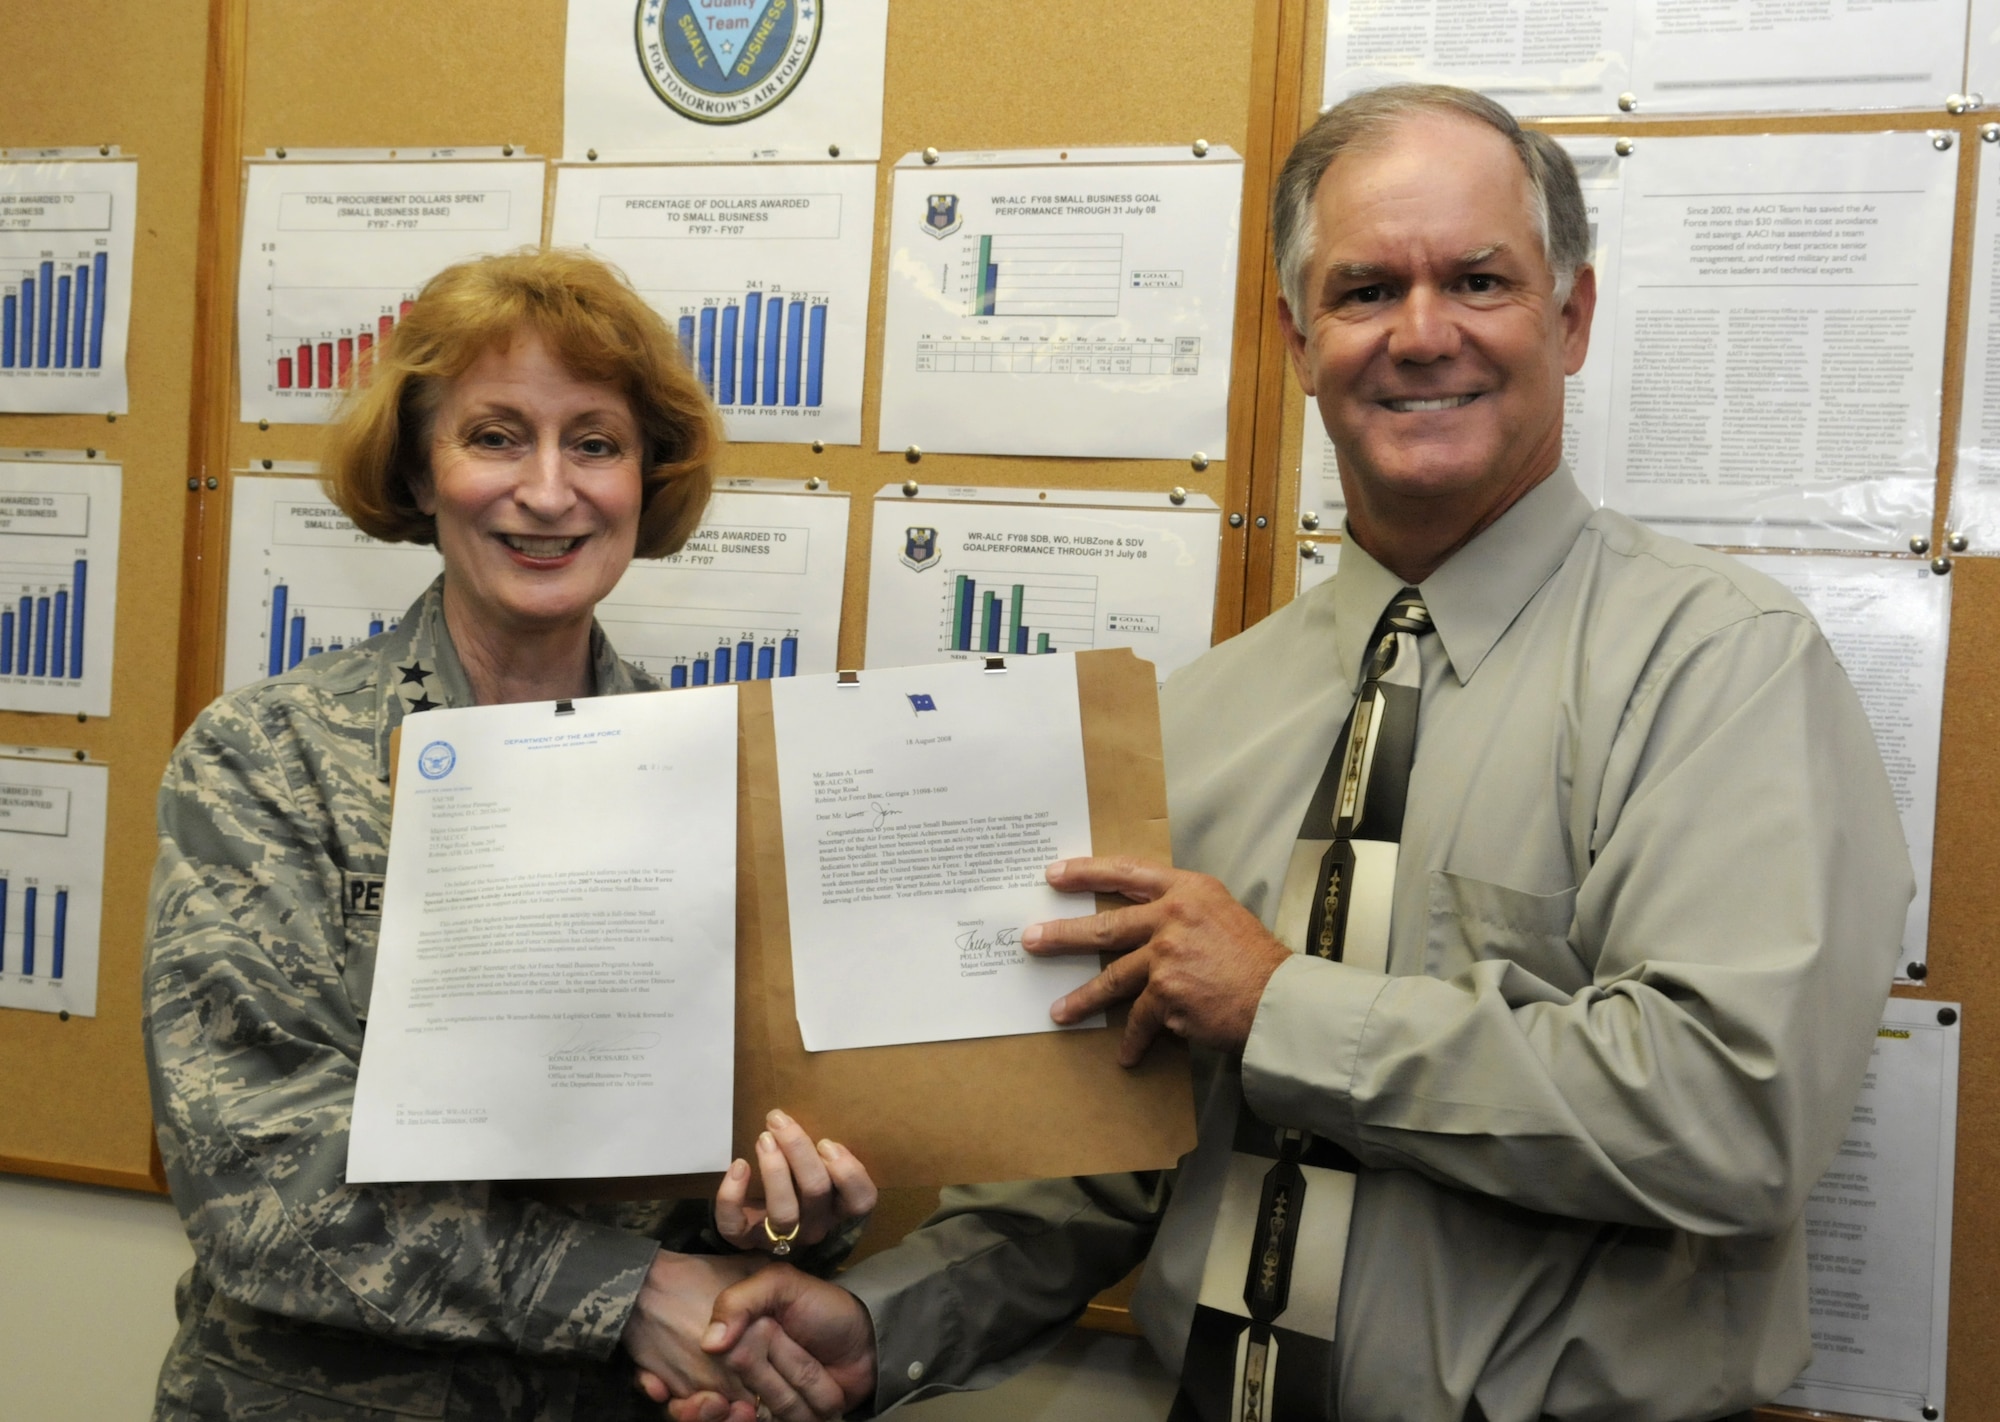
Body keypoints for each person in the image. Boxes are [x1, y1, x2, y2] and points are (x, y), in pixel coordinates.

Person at [664, 84, 1914, 1422]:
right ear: (1298, 335)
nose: (1422, 335)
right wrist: (879, 1322)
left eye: (1480, 280)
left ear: (1573, 315)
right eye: (1368, 288)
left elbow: (1734, 1117)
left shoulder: (1719, 669)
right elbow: (1111, 1169)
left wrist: (1280, 1008)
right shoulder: (1199, 719)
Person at [143, 248, 876, 1422]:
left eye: (594, 443)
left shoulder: (729, 784)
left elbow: (748, 1167)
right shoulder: (268, 761)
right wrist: (631, 1289)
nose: (548, 492)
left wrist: (780, 1220)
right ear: (419, 471)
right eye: (493, 436)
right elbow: (258, 1184)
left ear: (646, 479)